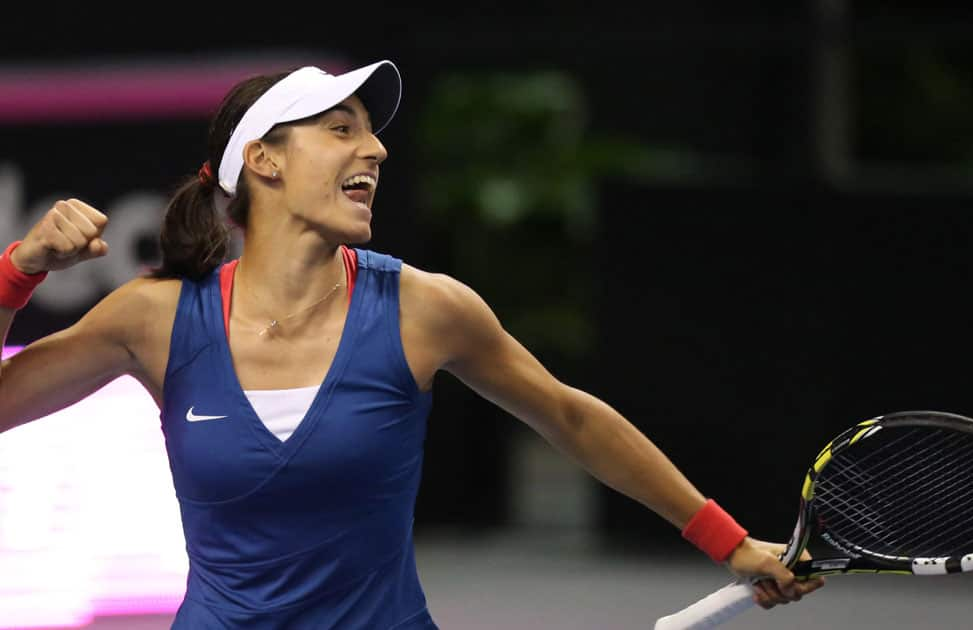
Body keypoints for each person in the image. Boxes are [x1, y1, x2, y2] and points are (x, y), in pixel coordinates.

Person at [0, 59, 823, 628]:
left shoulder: (424, 310)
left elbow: (570, 419)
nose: (377, 150)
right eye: (340, 129)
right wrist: (19, 270)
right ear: (263, 161)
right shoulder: (156, 317)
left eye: (372, 133)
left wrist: (728, 539)